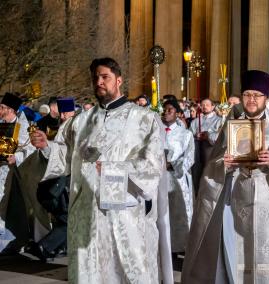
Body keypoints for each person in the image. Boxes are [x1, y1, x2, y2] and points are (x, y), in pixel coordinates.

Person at [30, 57, 173, 283]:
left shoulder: (144, 119)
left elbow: (153, 165)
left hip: (123, 214)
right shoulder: (80, 121)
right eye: (95, 77)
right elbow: (64, 156)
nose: (99, 82)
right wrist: (46, 146)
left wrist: (113, 168)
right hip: (86, 212)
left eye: (105, 77)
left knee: (127, 271)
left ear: (118, 80)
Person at [182, 70, 269, 283]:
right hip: (234, 202)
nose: (252, 100)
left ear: (266, 99)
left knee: (264, 257)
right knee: (235, 257)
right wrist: (223, 165)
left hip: (266, 202)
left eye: (257, 95)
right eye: (247, 94)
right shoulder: (231, 126)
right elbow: (213, 166)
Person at [25, 97, 77, 262]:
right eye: (61, 113)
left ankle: (55, 247)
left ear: (73, 111)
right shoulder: (62, 127)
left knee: (67, 218)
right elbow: (60, 152)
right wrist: (46, 146)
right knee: (69, 218)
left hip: (69, 181)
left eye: (66, 112)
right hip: (61, 182)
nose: (62, 116)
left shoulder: (77, 126)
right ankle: (48, 246)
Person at [0, 92, 36, 252]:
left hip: (16, 173)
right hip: (1, 171)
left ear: (11, 110)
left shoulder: (23, 128)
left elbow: (31, 149)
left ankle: (16, 241)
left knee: (16, 206)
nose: (0, 110)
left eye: (2, 107)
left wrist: (17, 157)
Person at [161, 100, 194, 256]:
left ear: (178, 114)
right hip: (158, 178)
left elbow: (190, 157)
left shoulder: (185, 135)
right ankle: (162, 245)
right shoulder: (156, 132)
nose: (166, 113)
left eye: (170, 110)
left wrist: (173, 164)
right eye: (164, 110)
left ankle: (179, 246)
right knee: (161, 213)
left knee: (178, 213)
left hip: (176, 178)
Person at [189, 98, 222, 195]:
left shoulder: (219, 120)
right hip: (197, 151)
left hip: (211, 151)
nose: (204, 107)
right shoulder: (195, 121)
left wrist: (208, 135)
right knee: (197, 174)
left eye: (207, 105)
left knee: (209, 174)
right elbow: (189, 135)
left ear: (213, 106)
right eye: (202, 105)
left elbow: (219, 137)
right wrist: (195, 136)